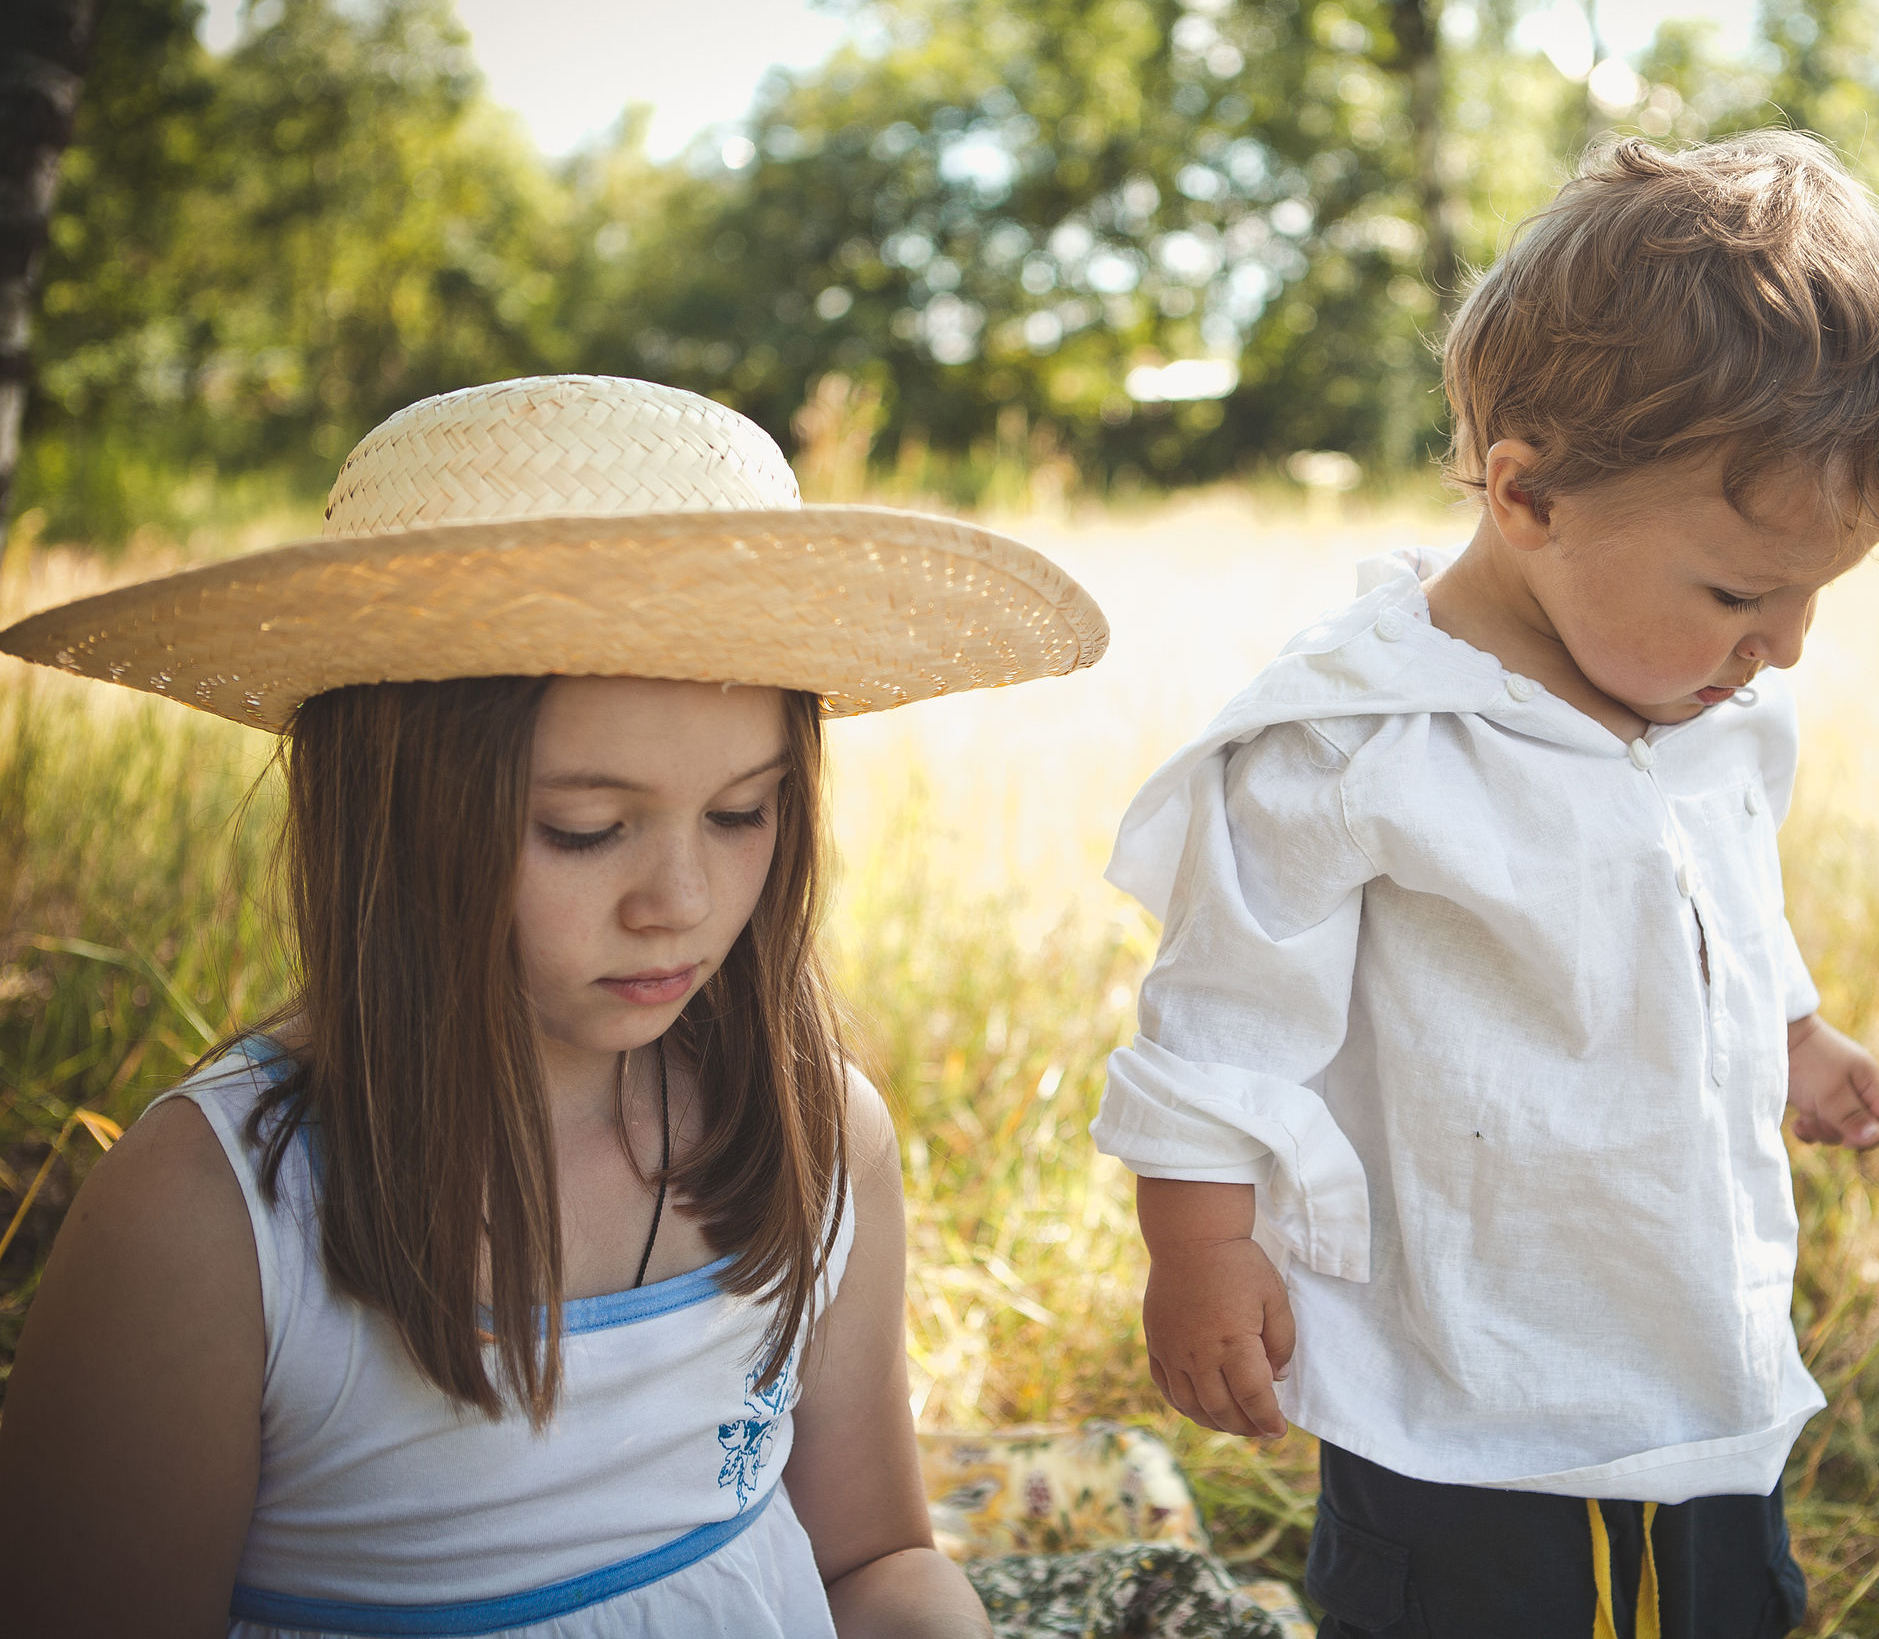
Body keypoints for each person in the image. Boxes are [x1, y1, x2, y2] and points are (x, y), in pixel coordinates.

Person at [0, 375, 1108, 1638]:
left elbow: (871, 1558)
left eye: (743, 812)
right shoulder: (212, 1214)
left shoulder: (813, 1128)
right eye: (584, 830)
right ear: (395, 814)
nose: (680, 901)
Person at [1090, 132, 1879, 1638]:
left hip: (1693, 1349)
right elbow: (1219, 1029)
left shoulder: (1709, 706)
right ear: (1529, 497)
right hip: (1475, 1386)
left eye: (1810, 596)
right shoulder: (1357, 741)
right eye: (1738, 592)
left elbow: (1720, 900)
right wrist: (1201, 1245)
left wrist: (1790, 1033)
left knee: (1723, 1606)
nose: (1783, 648)